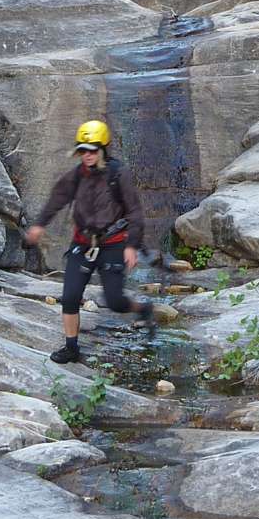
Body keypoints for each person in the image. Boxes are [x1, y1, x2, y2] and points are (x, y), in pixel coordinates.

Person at [24, 119, 157, 364]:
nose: (87, 155)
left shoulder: (119, 174)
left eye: (92, 150)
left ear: (103, 150)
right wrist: (39, 224)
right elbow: (57, 199)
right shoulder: (76, 176)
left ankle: (143, 309)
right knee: (70, 296)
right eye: (83, 150)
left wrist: (131, 245)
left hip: (113, 244)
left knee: (115, 302)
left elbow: (135, 212)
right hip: (83, 244)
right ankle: (71, 347)